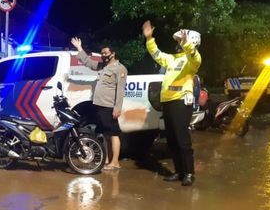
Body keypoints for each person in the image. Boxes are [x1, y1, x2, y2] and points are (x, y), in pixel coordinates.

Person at [142, 20, 202, 186]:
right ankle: (179, 171)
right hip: (168, 102)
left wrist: (187, 44)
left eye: (180, 41)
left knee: (182, 139)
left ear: (191, 42)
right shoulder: (173, 59)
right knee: (172, 140)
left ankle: (189, 173)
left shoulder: (191, 61)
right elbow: (156, 54)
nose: (177, 44)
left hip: (181, 102)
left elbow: (195, 57)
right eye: (177, 41)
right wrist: (149, 39)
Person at [71, 37, 128, 170]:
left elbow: (120, 91)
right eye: (102, 53)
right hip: (99, 105)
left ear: (113, 53)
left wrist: (117, 108)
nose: (103, 56)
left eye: (106, 53)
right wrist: (80, 48)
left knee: (114, 134)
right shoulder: (102, 66)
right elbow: (89, 63)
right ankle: (106, 160)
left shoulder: (120, 69)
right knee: (105, 134)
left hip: (109, 107)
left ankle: (115, 162)